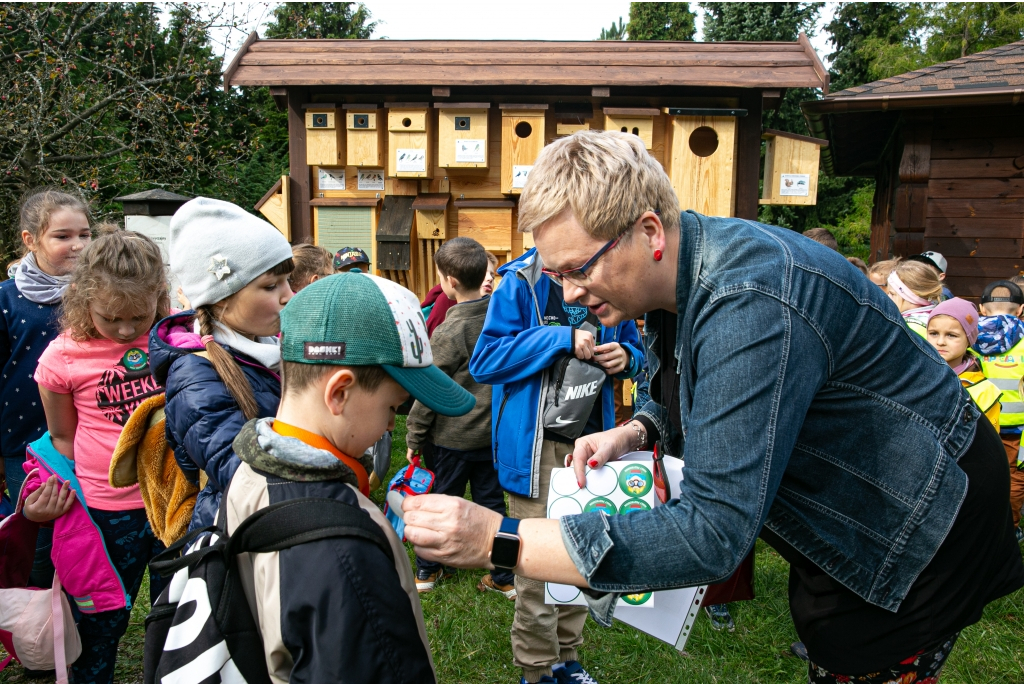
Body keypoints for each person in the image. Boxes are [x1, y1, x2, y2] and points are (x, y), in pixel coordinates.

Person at [402, 130, 1024, 684]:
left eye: (578, 269)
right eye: (554, 273)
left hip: (919, 518)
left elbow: (713, 533)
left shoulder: (750, 303)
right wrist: (640, 429)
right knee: (829, 632)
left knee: (857, 647)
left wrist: (498, 538)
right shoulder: (673, 275)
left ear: (647, 231)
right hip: (855, 503)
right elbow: (672, 383)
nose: (568, 293)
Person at [224, 271, 474, 683]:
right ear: (339, 392)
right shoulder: (343, 550)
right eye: (392, 408)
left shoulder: (251, 467)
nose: (390, 427)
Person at [469, 201, 644, 684]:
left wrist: (623, 356)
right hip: (535, 447)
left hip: (591, 442)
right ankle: (536, 668)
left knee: (581, 551)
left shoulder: (608, 273)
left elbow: (636, 347)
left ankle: (568, 658)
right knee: (536, 558)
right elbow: (486, 360)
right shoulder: (519, 283)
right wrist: (559, 339)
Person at [31, 225, 171, 683]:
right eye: (111, 318)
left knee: (176, 611)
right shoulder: (62, 358)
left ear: (159, 297)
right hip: (109, 508)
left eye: (139, 316)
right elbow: (62, 437)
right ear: (83, 299)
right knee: (102, 616)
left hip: (174, 496)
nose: (127, 329)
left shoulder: (173, 337)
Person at [149, 198, 293, 530]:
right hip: (240, 533)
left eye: (288, 280)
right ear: (221, 297)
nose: (290, 295)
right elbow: (244, 475)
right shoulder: (196, 378)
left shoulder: (269, 345)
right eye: (271, 286)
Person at [405, 238, 514, 598]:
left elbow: (428, 392)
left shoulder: (450, 331)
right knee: (492, 504)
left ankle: (428, 571)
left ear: (449, 281)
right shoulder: (504, 319)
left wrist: (414, 436)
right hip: (492, 438)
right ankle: (503, 575)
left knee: (440, 501)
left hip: (450, 441)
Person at [0, 188, 91, 589]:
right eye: (63, 236)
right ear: (29, 239)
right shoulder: (6, 301)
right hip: (25, 444)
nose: (78, 245)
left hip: (91, 440)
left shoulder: (99, 296)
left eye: (85, 234)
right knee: (39, 541)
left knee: (85, 540)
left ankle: (82, 623)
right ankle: (40, 630)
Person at [974, 280, 1024, 540]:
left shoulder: (968, 336)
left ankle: (980, 529)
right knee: (1014, 479)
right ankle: (1010, 531)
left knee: (981, 475)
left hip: (980, 422)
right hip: (1017, 427)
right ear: (1021, 309)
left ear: (981, 309)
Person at [927, 298, 1001, 430]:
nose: (940, 341)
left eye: (951, 335)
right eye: (934, 333)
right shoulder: (916, 375)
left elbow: (988, 444)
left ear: (969, 339)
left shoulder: (984, 390)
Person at [886, 258, 944, 337]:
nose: (887, 297)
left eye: (892, 294)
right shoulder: (934, 317)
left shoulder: (910, 328)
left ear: (911, 297)